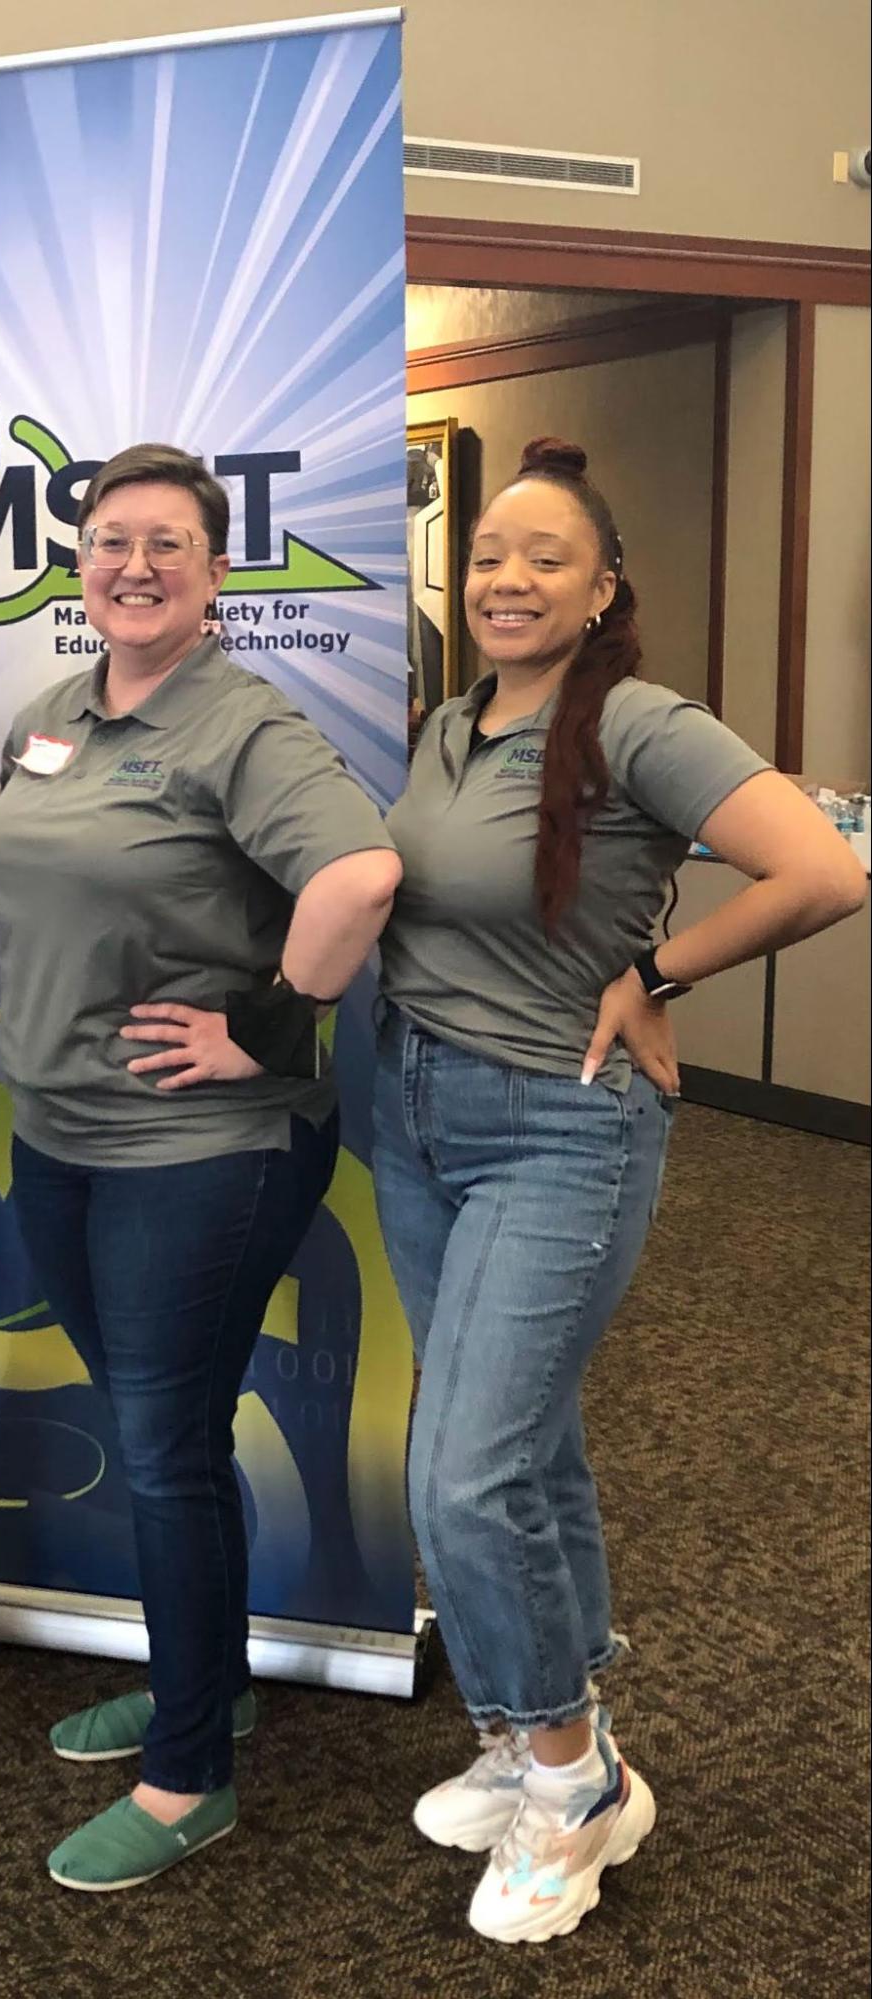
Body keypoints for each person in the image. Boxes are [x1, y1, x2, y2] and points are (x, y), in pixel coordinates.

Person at [372, 437, 868, 1944]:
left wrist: (657, 970)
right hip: (415, 1112)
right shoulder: (451, 721)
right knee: (521, 1446)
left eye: (545, 559)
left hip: (556, 1130)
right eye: (490, 557)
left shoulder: (641, 723)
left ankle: (572, 1775)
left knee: (461, 1469)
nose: (507, 579)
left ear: (603, 590)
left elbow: (823, 870)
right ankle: (538, 1720)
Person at [0, 443, 403, 1892]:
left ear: (217, 575)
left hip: (201, 1153)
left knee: (161, 1452)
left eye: (166, 543)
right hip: (59, 1138)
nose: (133, 563)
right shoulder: (50, 716)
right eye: (109, 540)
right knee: (172, 1444)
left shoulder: (243, 721)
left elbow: (359, 874)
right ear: (79, 565)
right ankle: (196, 1685)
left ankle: (187, 1778)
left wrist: (265, 1023)